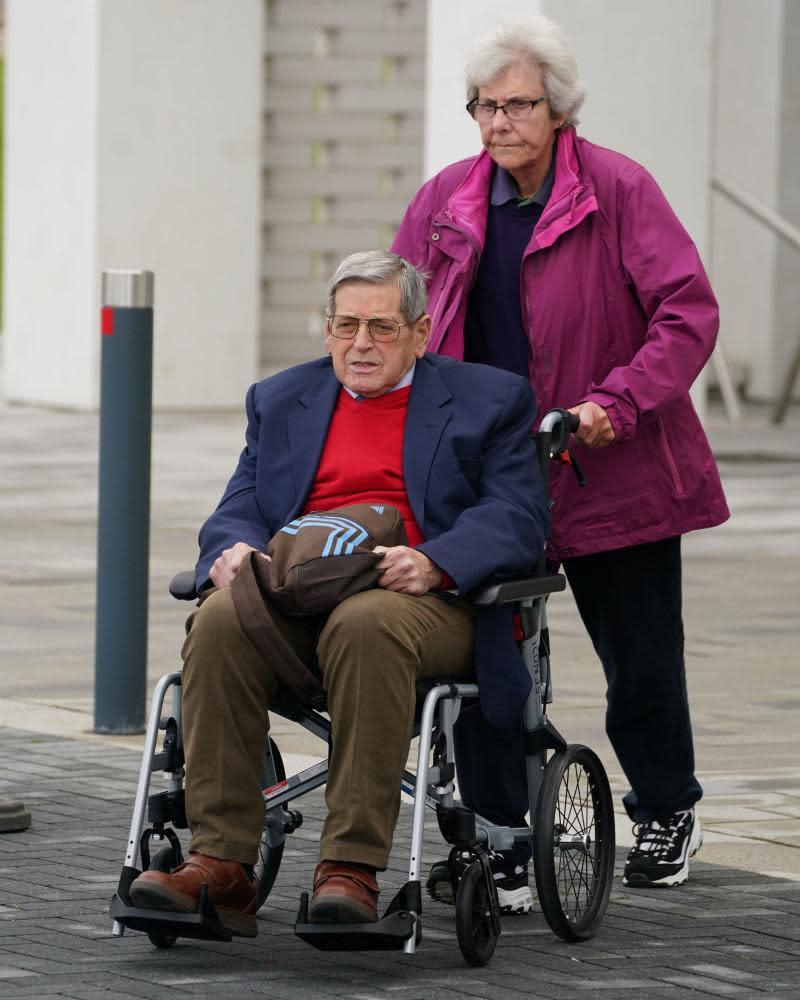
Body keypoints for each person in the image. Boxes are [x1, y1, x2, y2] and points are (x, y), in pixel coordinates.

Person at [391, 14, 729, 896]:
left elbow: (688, 312)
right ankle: (506, 833)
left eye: (519, 105)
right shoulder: (444, 202)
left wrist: (614, 403)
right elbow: (403, 318)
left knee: (640, 656)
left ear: (560, 109)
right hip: (493, 475)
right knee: (491, 658)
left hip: (609, 462)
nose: (500, 122)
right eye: (485, 106)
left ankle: (665, 811)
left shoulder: (618, 189)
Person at [128, 250, 549, 936]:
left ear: (421, 329)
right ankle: (222, 866)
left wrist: (436, 560)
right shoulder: (281, 398)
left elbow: (517, 516)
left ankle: (349, 868)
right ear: (326, 329)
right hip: (300, 596)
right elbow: (240, 504)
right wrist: (228, 551)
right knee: (219, 623)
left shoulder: (490, 400)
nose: (361, 344)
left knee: (367, 622)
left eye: (382, 328)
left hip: (428, 605)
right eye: (346, 325)